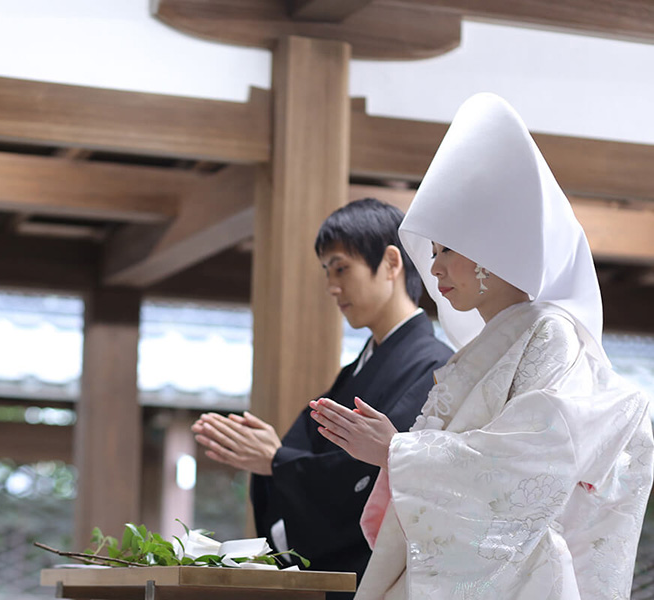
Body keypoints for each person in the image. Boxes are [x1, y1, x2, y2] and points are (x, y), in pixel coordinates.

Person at [310, 93, 654, 600]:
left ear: (494, 247)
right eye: (433, 252)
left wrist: (398, 451)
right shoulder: (492, 342)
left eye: (447, 249)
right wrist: (399, 456)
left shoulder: (551, 334)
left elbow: (535, 460)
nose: (435, 268)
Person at [192, 198, 453, 593]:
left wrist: (279, 463)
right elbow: (310, 450)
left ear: (391, 263)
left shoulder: (434, 367)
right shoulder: (356, 370)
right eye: (327, 271)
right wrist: (276, 461)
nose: (332, 286)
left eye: (341, 268)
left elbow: (375, 474)